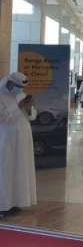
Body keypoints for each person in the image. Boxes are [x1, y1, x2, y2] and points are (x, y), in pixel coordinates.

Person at [0, 73, 36, 218]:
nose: (20, 89)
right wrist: (18, 107)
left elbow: (32, 116)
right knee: (6, 169)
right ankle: (3, 205)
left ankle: (15, 202)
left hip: (23, 139)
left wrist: (28, 108)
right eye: (18, 86)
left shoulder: (21, 95)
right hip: (6, 138)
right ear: (11, 83)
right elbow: (3, 117)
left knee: (20, 169)